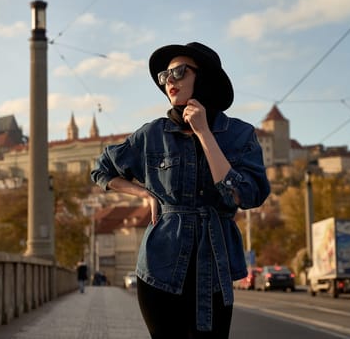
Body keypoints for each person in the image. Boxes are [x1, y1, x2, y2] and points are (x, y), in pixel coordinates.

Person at [90, 42, 270, 338]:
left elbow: (249, 195)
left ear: (205, 78)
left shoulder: (240, 134)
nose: (169, 80)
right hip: (160, 268)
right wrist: (145, 194)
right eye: (165, 75)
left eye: (179, 72)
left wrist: (203, 133)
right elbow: (101, 169)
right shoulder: (152, 134)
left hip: (214, 268)